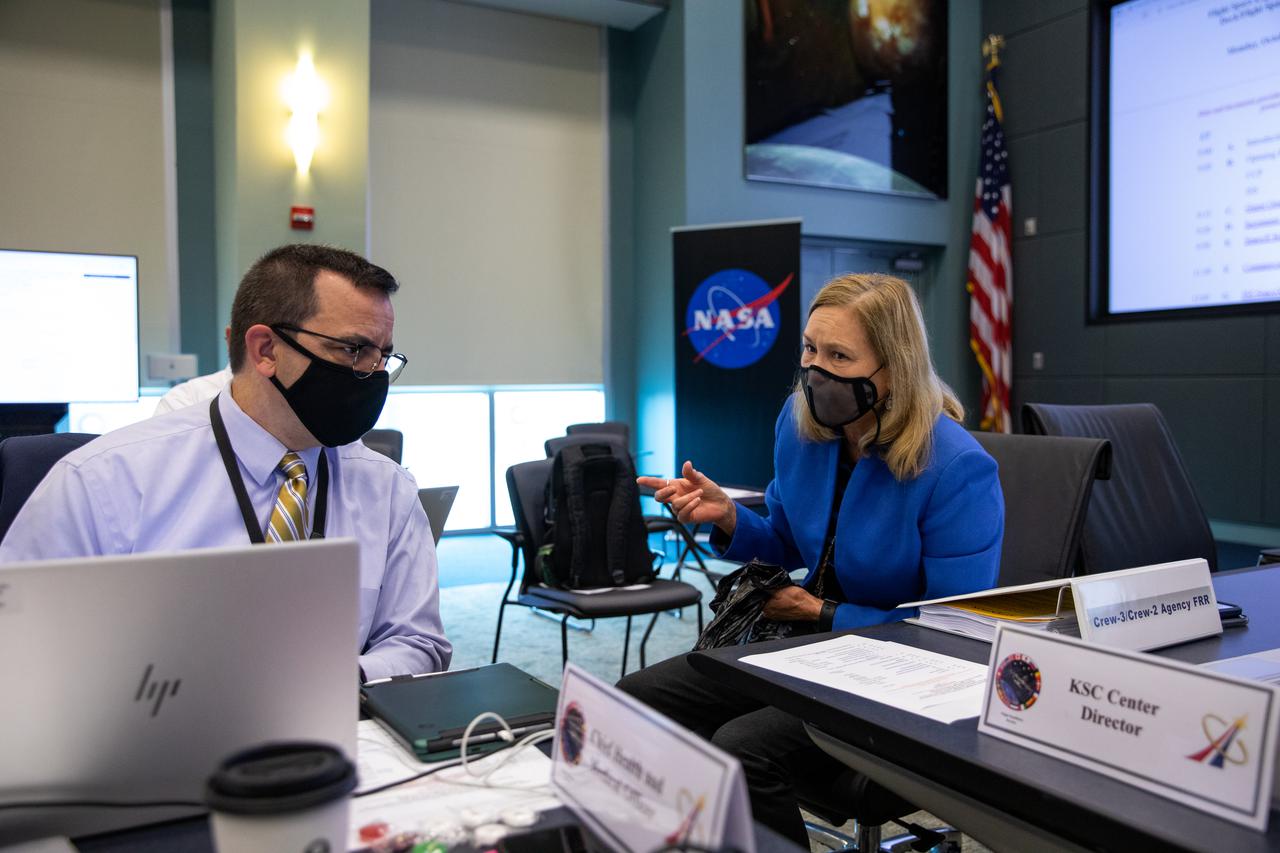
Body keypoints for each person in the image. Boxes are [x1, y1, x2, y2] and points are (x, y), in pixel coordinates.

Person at [620, 273, 1004, 845]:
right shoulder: (801, 428)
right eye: (810, 348)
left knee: (740, 749)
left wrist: (824, 614)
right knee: (634, 703)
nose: (815, 370)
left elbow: (956, 638)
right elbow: (788, 541)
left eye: (839, 356)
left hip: (897, 674)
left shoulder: (954, 469)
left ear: (893, 368)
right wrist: (728, 516)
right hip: (804, 646)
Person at [0, 244, 450, 681]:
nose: (373, 375)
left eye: (382, 355)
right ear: (266, 350)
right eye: (354, 351)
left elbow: (417, 642)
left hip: (335, 738)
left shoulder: (386, 488)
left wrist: (335, 679)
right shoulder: (104, 481)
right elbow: (18, 650)